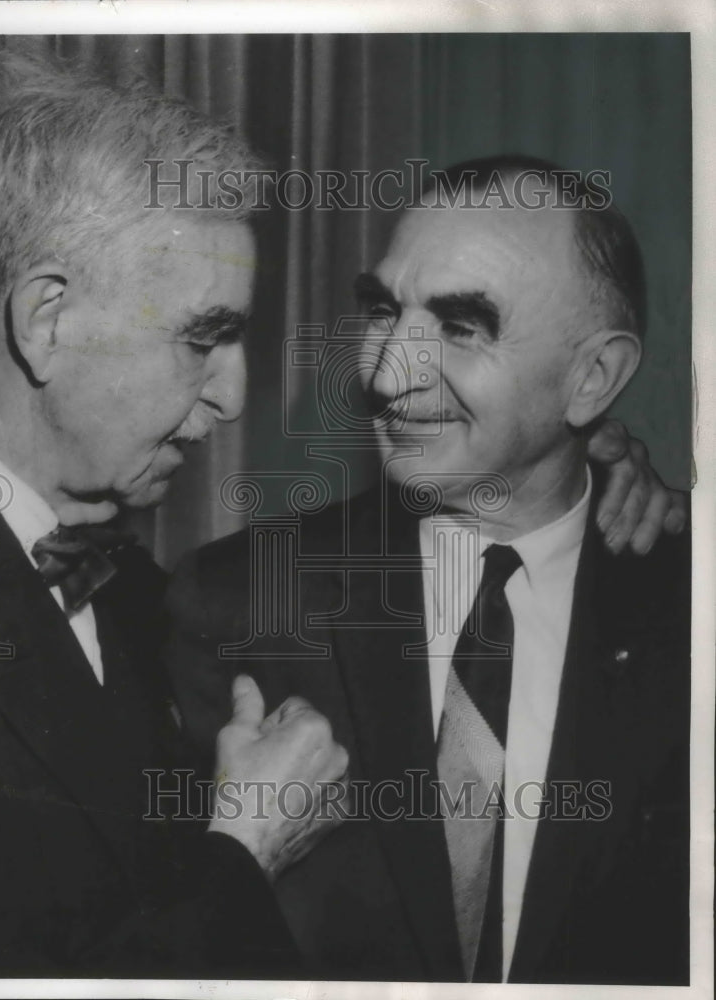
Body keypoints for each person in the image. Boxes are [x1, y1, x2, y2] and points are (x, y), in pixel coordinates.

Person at [166, 156, 690, 984]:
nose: (384, 374)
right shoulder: (232, 602)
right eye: (382, 312)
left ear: (592, 377)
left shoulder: (684, 608)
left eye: (460, 326)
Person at [0, 53, 351, 978]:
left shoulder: (127, 579)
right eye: (203, 337)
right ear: (45, 322)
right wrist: (245, 852)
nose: (231, 398)